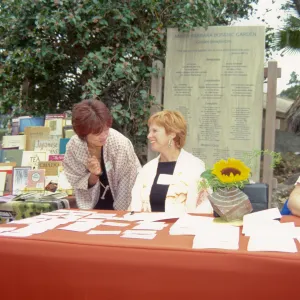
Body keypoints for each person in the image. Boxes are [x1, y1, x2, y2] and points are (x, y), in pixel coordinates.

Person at [63, 99, 141, 210]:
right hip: (91, 206)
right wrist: (94, 175)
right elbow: (76, 181)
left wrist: (120, 215)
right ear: (83, 133)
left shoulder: (120, 143)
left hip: (123, 204)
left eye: (106, 130)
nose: (103, 136)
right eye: (97, 133)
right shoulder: (74, 146)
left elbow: (128, 182)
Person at [130, 110, 212, 213]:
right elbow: (135, 207)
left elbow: (204, 208)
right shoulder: (147, 169)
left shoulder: (195, 167)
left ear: (172, 134)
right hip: (148, 228)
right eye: (149, 131)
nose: (149, 135)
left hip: (183, 228)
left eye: (155, 131)